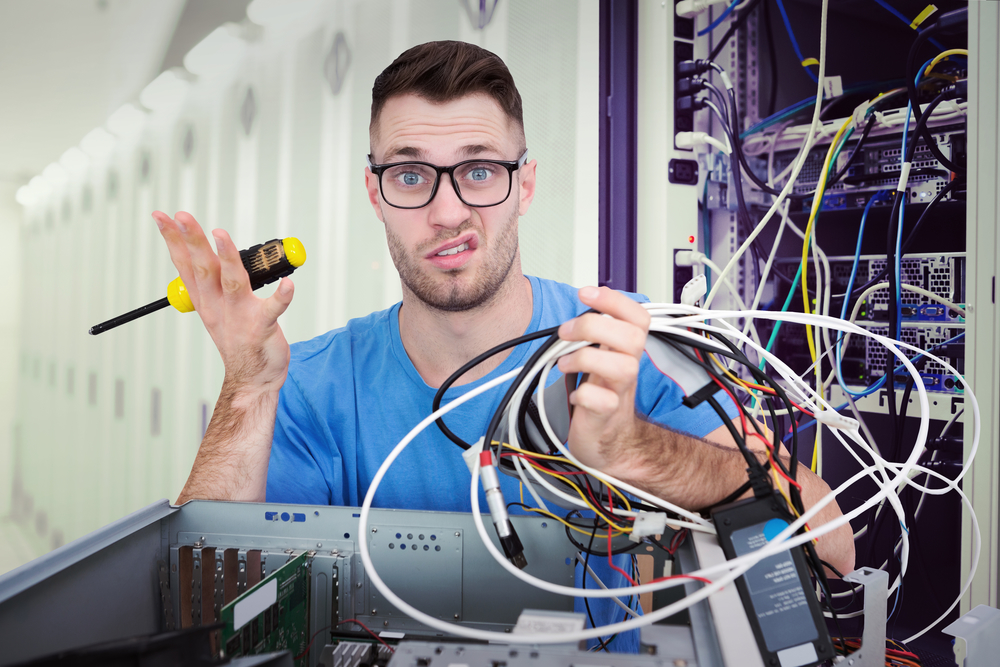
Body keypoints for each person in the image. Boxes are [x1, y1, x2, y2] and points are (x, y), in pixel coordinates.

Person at [153, 40, 854, 650]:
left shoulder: (621, 343)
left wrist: (636, 450)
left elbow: (832, 546)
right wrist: (246, 386)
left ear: (526, 185)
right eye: (410, 174)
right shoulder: (305, 384)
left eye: (480, 170)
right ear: (375, 193)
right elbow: (206, 621)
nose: (449, 210)